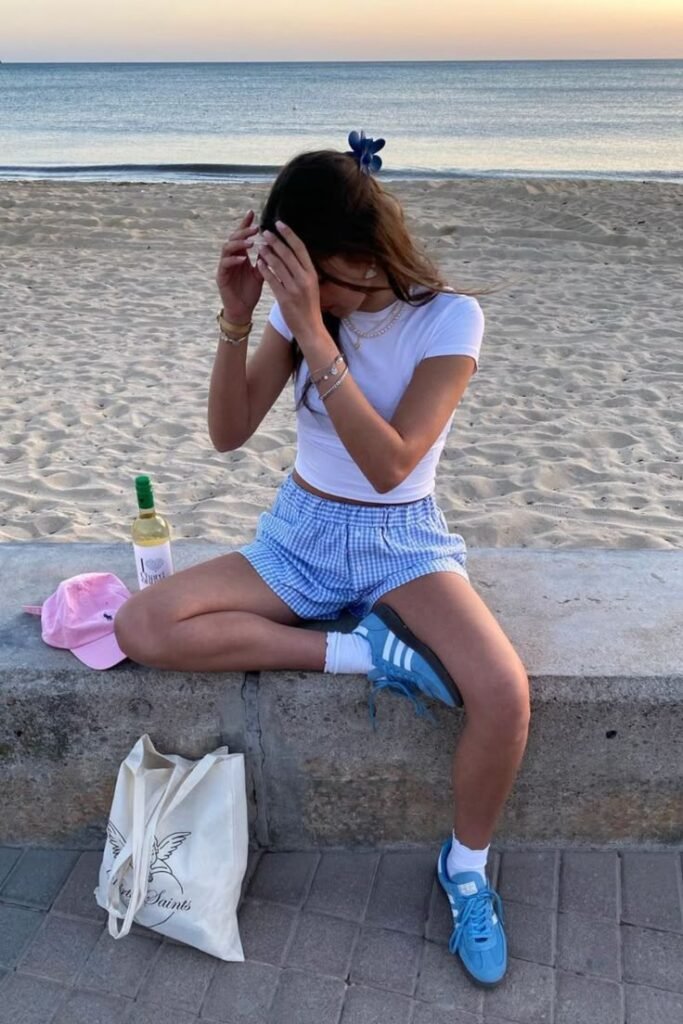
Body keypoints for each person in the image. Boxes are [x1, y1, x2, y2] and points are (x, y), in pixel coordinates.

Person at [114, 131, 530, 987]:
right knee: (142, 622)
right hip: (298, 536)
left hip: (400, 542)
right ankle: (359, 650)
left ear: (364, 256)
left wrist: (311, 325)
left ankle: (466, 869)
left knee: (501, 693)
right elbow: (228, 434)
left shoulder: (447, 319)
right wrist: (238, 317)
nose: (308, 299)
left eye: (316, 280)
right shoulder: (302, 314)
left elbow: (391, 463)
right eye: (292, 282)